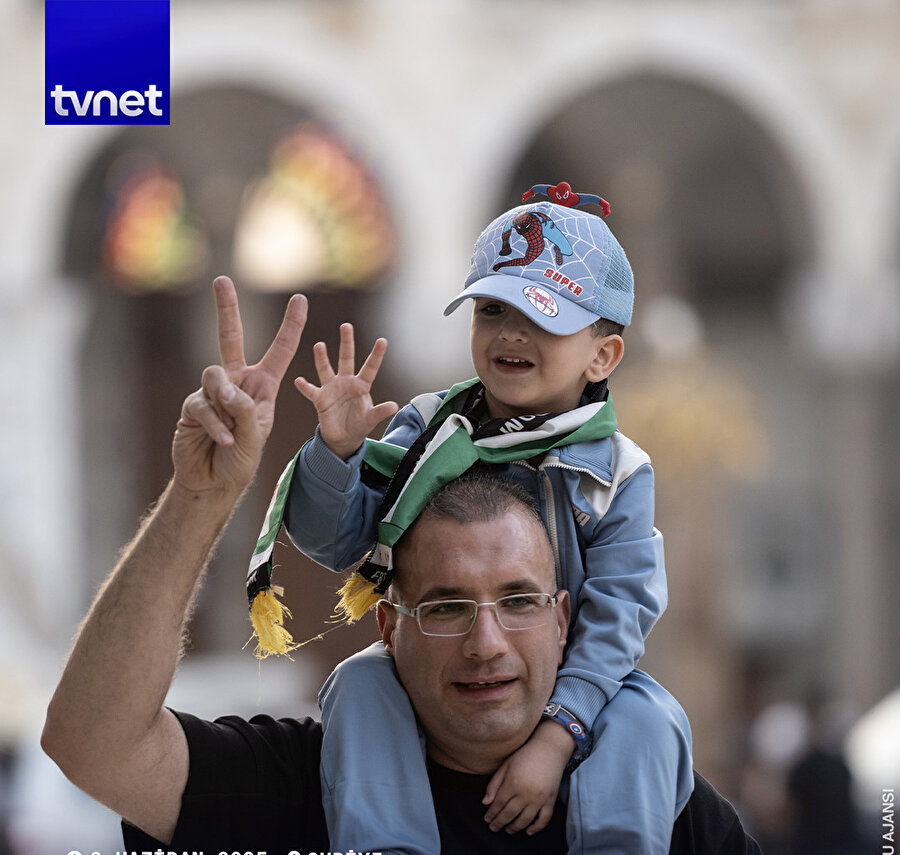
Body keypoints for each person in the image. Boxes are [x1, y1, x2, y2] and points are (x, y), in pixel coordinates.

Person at [39, 278, 761, 853]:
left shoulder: (665, 811)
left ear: (565, 613)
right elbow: (92, 743)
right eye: (446, 606)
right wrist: (200, 497)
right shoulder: (306, 786)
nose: (487, 643)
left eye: (518, 600)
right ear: (389, 624)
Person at [253, 188, 691, 853]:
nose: (511, 333)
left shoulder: (618, 473)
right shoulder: (428, 428)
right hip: (446, 664)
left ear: (603, 356)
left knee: (650, 717)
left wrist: (555, 737)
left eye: (542, 316)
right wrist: (339, 453)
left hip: (573, 681)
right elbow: (334, 542)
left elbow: (617, 618)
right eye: (492, 310)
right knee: (360, 682)